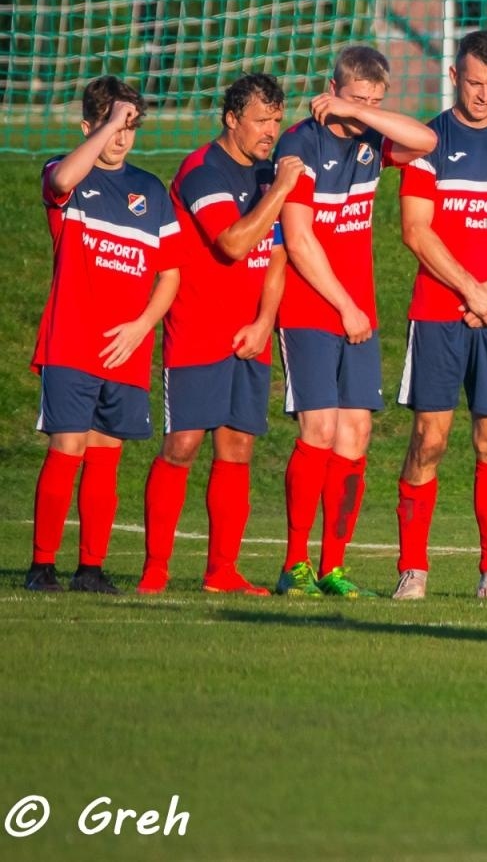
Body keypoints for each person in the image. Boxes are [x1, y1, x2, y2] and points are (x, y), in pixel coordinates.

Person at [271, 46, 436, 598]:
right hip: (313, 308)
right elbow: (298, 239)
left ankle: (332, 566)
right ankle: (294, 564)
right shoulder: (299, 143)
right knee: (318, 431)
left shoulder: (370, 137)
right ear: (330, 87)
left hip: (356, 313)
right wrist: (344, 305)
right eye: (355, 96)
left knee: (356, 434)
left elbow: (426, 141)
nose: (364, 107)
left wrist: (363, 115)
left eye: (375, 100)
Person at [391, 29, 487, 601]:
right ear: (455, 77)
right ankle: (413, 570)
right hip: (439, 312)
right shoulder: (427, 140)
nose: (483, 95)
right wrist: (470, 289)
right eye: (473, 83)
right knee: (429, 441)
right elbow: (415, 230)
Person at [136, 74, 304, 595]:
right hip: (197, 328)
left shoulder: (266, 173)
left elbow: (277, 256)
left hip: (248, 334)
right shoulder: (202, 171)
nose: (270, 131)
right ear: (232, 119)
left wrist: (264, 322)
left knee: (237, 448)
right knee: (182, 444)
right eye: (261, 120)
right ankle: (156, 570)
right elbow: (233, 243)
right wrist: (279, 190)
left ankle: (221, 573)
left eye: (277, 121)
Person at [24, 78, 180, 595]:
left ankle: (91, 568)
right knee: (67, 446)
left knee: (105, 454)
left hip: (125, 348)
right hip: (71, 341)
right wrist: (109, 122)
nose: (122, 138)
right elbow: (65, 174)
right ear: (89, 126)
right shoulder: (66, 177)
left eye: (131, 127)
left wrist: (141, 327)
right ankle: (42, 565)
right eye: (114, 126)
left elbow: (171, 274)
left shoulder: (152, 191)